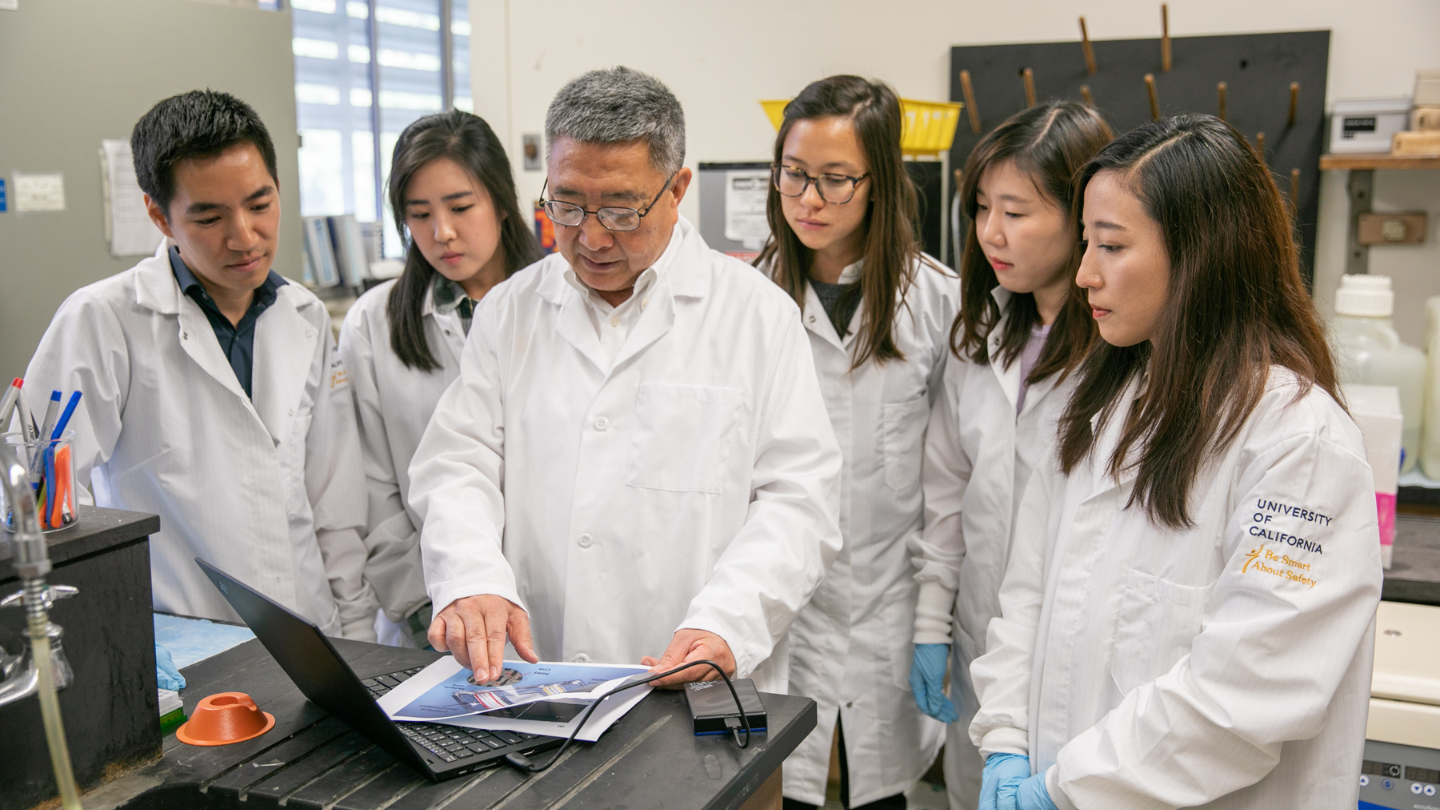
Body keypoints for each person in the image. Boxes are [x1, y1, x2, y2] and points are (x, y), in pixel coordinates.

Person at [968, 113, 1382, 810]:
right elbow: (1026, 598)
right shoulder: (1098, 408)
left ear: (1202, 253)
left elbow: (1246, 693)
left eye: (1112, 246)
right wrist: (1008, 738)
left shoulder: (1297, 445)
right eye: (1086, 243)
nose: (1085, 273)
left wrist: (1062, 790)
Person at [407, 67, 843, 689]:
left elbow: (799, 501)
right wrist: (472, 575)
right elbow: (458, 463)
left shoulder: (756, 315)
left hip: (696, 685)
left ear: (677, 188)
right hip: (538, 677)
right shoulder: (510, 310)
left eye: (618, 209)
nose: (589, 236)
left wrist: (727, 623)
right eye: (567, 204)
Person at [22, 90, 377, 637]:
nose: (244, 237)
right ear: (159, 216)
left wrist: (357, 635)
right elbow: (42, 498)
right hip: (184, 644)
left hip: (315, 637)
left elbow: (333, 500)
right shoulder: (104, 320)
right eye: (209, 217)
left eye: (260, 205)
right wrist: (113, 633)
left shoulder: (302, 315)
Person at [754, 75, 957, 810]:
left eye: (836, 180)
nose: (809, 198)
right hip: (781, 613)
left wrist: (940, 622)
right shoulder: (747, 304)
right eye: (795, 174)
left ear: (879, 183)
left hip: (891, 610)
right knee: (786, 788)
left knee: (880, 794)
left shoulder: (939, 304)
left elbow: (952, 483)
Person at [905, 101, 1111, 810]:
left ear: (1083, 217)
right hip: (979, 638)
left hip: (1079, 654)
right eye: (983, 207)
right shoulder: (981, 331)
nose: (992, 232)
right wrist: (933, 626)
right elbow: (947, 494)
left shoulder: (1123, 357)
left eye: (1017, 212)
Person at [339, 110, 541, 647]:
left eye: (459, 206)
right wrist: (431, 599)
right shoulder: (373, 322)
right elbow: (376, 485)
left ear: (500, 200)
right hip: (432, 612)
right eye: (419, 214)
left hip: (547, 606)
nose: (442, 232)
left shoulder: (557, 304)